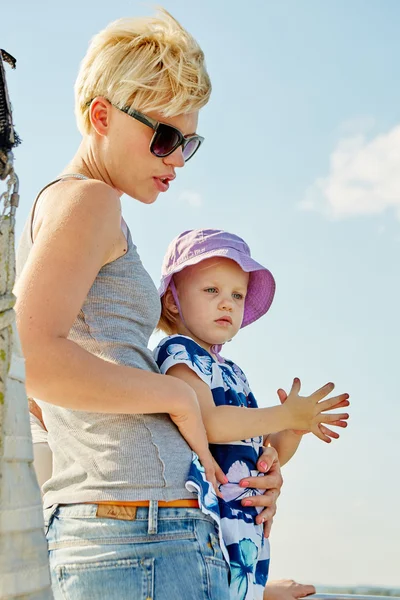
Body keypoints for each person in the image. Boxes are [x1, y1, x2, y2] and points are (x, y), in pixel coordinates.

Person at [15, 9, 286, 599]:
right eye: (164, 137)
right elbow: (32, 357)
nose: (176, 159)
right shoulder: (88, 201)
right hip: (135, 535)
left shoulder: (72, 208)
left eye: (188, 141)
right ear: (102, 116)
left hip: (139, 530)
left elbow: (50, 373)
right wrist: (172, 395)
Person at [154, 228, 350, 600]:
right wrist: (282, 414)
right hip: (205, 524)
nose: (227, 303)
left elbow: (263, 451)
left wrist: (291, 431)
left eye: (237, 295)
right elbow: (207, 422)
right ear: (174, 302)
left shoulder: (232, 371)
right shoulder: (179, 354)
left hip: (242, 525)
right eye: (211, 290)